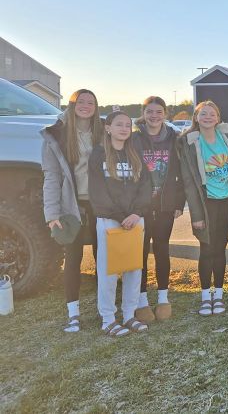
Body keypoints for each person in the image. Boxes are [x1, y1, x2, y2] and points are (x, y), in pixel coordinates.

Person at [41, 89, 104, 333]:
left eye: (91, 102)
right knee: (73, 258)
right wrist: (52, 214)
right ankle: (73, 314)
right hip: (72, 206)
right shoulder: (56, 135)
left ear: (96, 107)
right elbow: (51, 176)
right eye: (81, 101)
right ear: (72, 104)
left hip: (101, 205)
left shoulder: (103, 131)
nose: (86, 105)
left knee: (103, 258)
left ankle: (105, 309)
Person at [88, 110, 152, 336]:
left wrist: (136, 213)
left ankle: (129, 315)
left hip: (135, 220)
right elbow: (97, 191)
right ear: (108, 128)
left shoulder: (134, 153)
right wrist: (119, 216)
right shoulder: (98, 155)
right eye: (119, 124)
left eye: (127, 125)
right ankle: (108, 319)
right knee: (108, 272)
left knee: (134, 268)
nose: (124, 129)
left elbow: (146, 186)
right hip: (110, 221)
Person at [176, 101, 228, 316]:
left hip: (227, 201)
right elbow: (188, 182)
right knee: (206, 250)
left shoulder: (227, 137)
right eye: (203, 114)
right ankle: (206, 296)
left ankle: (219, 295)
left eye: (212, 114)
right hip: (206, 203)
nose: (208, 117)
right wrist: (196, 214)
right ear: (196, 117)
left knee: (220, 250)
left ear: (218, 117)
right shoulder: (189, 142)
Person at [131, 96, 185, 323]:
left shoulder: (174, 139)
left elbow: (182, 172)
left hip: (165, 204)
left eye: (158, 112)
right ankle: (141, 300)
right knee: (140, 252)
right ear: (143, 114)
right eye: (150, 112)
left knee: (162, 249)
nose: (154, 116)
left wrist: (179, 203)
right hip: (140, 206)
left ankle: (163, 298)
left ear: (165, 114)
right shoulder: (134, 139)